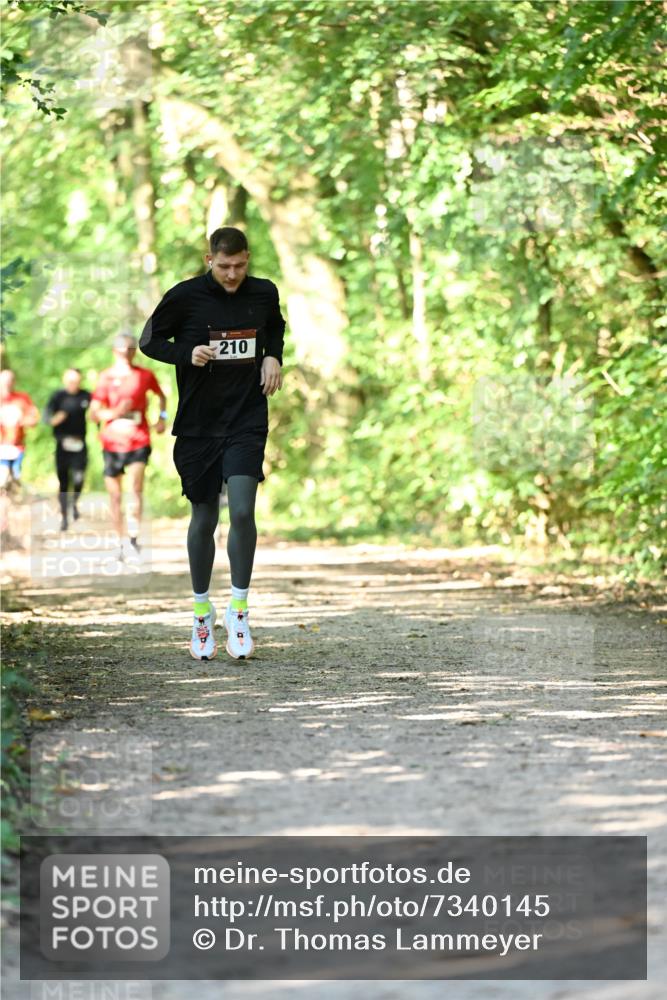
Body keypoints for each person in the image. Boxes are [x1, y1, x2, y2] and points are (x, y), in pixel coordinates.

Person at [139, 226, 285, 661]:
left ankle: (238, 609)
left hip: (246, 418)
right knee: (204, 518)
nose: (233, 274)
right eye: (224, 266)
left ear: (248, 258)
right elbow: (150, 341)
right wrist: (188, 354)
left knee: (241, 510)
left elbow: (274, 327)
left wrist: (274, 355)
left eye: (240, 265)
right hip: (199, 425)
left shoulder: (263, 292)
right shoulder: (185, 296)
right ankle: (202, 614)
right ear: (209, 261)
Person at [89, 334, 167, 560]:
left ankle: (133, 538)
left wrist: (162, 418)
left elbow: (161, 397)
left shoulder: (144, 375)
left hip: (138, 440)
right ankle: (119, 540)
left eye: (131, 350)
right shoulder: (106, 377)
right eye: (123, 351)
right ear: (115, 352)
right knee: (115, 496)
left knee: (135, 488)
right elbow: (94, 413)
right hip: (112, 443)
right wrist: (114, 413)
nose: (127, 355)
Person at [44, 368, 92, 530]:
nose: (74, 384)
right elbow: (47, 418)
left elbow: (96, 412)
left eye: (77, 381)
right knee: (63, 482)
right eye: (71, 381)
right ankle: (64, 517)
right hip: (62, 445)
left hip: (79, 444)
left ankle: (74, 503)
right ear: (65, 380)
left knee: (79, 479)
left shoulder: (86, 395)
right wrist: (57, 418)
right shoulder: (58, 397)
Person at [0, 368, 39, 491]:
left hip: (17, 446)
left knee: (16, 476)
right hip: (1, 446)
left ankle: (13, 504)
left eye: (10, 380)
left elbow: (34, 418)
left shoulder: (22, 399)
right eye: (4, 380)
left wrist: (20, 420)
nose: (7, 383)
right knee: (3, 476)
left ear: (14, 382)